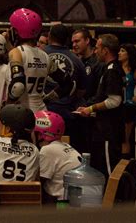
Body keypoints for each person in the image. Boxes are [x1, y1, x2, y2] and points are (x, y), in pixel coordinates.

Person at [6, 8, 75, 113]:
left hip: (21, 114)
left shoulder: (16, 52)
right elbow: (68, 84)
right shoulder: (44, 56)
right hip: (41, 112)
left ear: (16, 31)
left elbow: (18, 86)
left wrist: (7, 105)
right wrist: (48, 98)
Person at [77, 34, 125, 178]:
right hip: (105, 127)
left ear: (105, 50)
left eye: (97, 48)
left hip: (108, 130)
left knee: (109, 169)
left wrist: (91, 109)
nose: (95, 51)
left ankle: (114, 199)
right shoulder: (110, 68)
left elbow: (114, 101)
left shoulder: (112, 70)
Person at [44, 24, 87, 152]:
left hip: (42, 113)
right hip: (66, 116)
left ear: (49, 36)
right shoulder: (77, 60)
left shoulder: (39, 55)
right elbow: (81, 90)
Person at [34, 110, 81, 203]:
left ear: (39, 135)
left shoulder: (48, 150)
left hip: (63, 205)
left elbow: (38, 182)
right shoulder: (65, 146)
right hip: (78, 200)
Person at [71, 28, 104, 103]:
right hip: (78, 107)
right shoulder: (77, 62)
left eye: (77, 41)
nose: (74, 45)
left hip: (92, 108)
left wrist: (88, 106)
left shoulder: (98, 62)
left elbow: (100, 92)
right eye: (72, 42)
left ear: (87, 41)